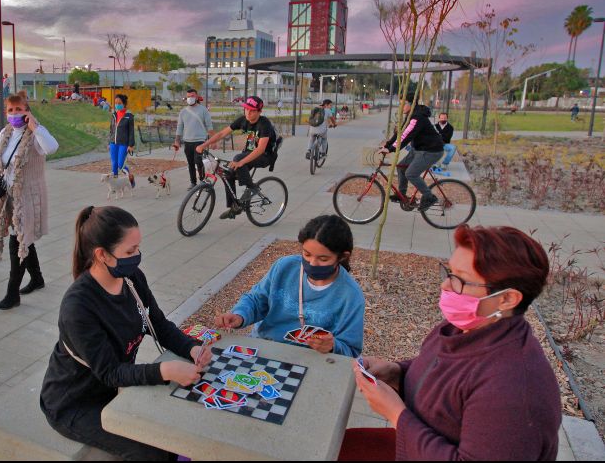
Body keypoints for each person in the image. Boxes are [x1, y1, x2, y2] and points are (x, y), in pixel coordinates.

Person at [353, 225, 561, 460]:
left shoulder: (514, 389)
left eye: (460, 280)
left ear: (506, 299)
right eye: (449, 272)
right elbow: (445, 373)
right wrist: (397, 374)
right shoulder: (462, 329)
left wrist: (396, 415)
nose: (445, 286)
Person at [40, 206, 212, 460]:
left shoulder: (132, 279)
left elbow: (158, 324)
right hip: (74, 404)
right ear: (102, 255)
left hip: (114, 389)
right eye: (130, 251)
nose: (137, 256)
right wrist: (165, 371)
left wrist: (192, 347)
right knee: (154, 451)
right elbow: (109, 372)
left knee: (179, 428)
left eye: (138, 248)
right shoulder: (78, 307)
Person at [214, 215, 364, 357]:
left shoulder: (350, 295)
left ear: (343, 257)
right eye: (307, 254)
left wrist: (332, 346)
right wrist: (239, 315)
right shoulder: (285, 267)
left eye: (323, 259)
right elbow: (256, 300)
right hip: (264, 345)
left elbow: (351, 350)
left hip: (310, 359)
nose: (312, 263)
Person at [0, 91, 59, 309]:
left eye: (19, 109)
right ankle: (37, 279)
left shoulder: (36, 134)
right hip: (9, 195)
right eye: (11, 110)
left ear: (28, 111)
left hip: (29, 196)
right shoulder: (5, 133)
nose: (14, 113)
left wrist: (35, 126)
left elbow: (51, 147)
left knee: (18, 239)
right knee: (22, 236)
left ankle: (12, 293)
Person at [196, 96, 276, 220]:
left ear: (259, 111)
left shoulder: (265, 124)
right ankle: (234, 207)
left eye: (252, 111)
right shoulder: (243, 120)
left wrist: (241, 162)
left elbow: (260, 150)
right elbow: (222, 133)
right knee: (228, 174)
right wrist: (204, 144)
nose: (248, 113)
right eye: (246, 109)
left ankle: (252, 188)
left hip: (265, 155)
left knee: (238, 159)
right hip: (249, 151)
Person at [380, 91, 444, 212]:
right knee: (400, 167)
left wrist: (391, 149)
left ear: (410, 104)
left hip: (431, 150)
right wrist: (387, 145)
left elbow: (406, 135)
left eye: (403, 104)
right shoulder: (411, 115)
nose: (401, 107)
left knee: (411, 174)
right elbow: (400, 132)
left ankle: (429, 197)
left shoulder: (417, 117)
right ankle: (402, 195)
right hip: (419, 149)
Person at [172, 89, 214, 190]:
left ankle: (203, 181)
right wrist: (177, 141)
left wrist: (213, 141)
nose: (190, 98)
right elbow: (179, 127)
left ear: (196, 97)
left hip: (200, 141)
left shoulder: (203, 110)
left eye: (192, 96)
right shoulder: (183, 112)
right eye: (188, 97)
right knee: (190, 163)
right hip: (188, 141)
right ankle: (193, 182)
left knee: (198, 161)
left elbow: (209, 126)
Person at [108, 94, 135, 182]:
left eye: (119, 103)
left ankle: (130, 178)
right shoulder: (114, 115)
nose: (117, 105)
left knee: (120, 164)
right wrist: (109, 142)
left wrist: (131, 145)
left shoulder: (129, 116)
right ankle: (115, 183)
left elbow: (131, 131)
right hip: (113, 143)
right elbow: (111, 129)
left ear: (124, 104)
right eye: (115, 103)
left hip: (123, 144)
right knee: (114, 164)